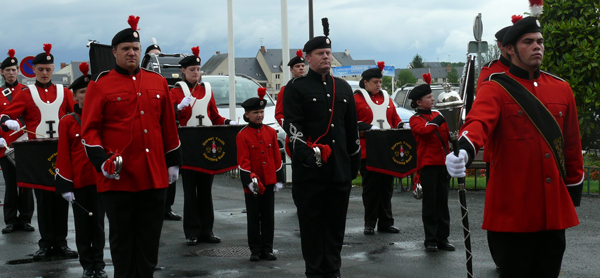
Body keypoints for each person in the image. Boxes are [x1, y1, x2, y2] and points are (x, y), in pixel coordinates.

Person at [446, 6, 584, 277]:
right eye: (528, 42)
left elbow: (571, 146)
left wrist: (572, 189)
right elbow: (478, 123)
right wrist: (464, 149)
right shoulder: (494, 87)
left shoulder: (561, 88)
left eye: (540, 41)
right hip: (513, 212)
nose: (537, 47)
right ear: (510, 49)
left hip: (552, 213)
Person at [81, 15, 182, 277]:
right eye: (125, 49)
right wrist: (101, 160)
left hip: (153, 175)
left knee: (149, 243)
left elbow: (168, 127)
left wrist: (173, 162)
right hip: (119, 177)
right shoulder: (100, 84)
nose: (131, 53)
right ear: (114, 52)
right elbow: (89, 129)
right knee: (123, 244)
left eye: (135, 48)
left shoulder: (157, 82)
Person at [282, 18, 361, 278]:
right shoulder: (296, 87)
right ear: (308, 58)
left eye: (328, 53)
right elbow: (293, 126)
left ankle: (333, 270)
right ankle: (315, 272)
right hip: (311, 172)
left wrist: (354, 162)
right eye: (320, 53)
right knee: (313, 227)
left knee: (336, 227)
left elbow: (351, 130)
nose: (326, 57)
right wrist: (305, 155)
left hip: (338, 170)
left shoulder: (344, 87)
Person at [0, 44, 78, 260]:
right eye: (41, 69)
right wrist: (10, 123)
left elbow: (76, 117)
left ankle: (61, 243)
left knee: (62, 196)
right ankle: (45, 244)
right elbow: (6, 115)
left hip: (62, 151)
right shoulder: (27, 93)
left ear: (53, 69)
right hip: (38, 153)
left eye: (48, 69)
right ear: (34, 70)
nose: (45, 73)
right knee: (43, 198)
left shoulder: (64, 92)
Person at [170, 46, 238, 246]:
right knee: (190, 191)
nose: (196, 73)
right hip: (189, 146)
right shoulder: (176, 91)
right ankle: (192, 231)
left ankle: (207, 230)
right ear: (183, 71)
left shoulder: (206, 89)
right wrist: (178, 108)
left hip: (207, 144)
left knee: (206, 191)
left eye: (198, 69)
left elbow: (214, 116)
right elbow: (168, 115)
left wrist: (226, 123)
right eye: (192, 70)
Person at [55, 62, 107, 278]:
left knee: (99, 225)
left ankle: (99, 264)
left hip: (101, 181)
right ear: (75, 97)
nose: (86, 95)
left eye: (90, 91)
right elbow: (63, 154)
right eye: (82, 92)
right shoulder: (67, 122)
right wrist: (65, 184)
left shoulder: (103, 119)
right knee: (83, 226)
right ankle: (87, 265)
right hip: (79, 182)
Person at [354, 62, 402, 235]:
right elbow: (351, 123)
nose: (379, 85)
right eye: (375, 82)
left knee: (386, 188)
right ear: (365, 82)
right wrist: (367, 128)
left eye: (380, 82)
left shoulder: (386, 98)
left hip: (387, 149)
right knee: (371, 189)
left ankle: (386, 222)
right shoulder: (357, 99)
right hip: (368, 150)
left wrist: (401, 125)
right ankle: (370, 222)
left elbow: (394, 118)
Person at [408, 73, 454, 253]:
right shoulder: (415, 119)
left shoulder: (437, 116)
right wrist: (443, 117)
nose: (433, 99)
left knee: (442, 204)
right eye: (428, 97)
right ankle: (431, 239)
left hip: (442, 164)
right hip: (428, 166)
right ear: (419, 102)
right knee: (430, 204)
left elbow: (449, 135)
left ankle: (443, 238)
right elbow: (425, 131)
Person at [236, 87, 284, 262]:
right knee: (253, 217)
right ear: (247, 114)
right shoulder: (242, 135)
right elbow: (243, 161)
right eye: (256, 112)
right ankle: (255, 249)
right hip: (254, 183)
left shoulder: (271, 132)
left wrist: (279, 179)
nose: (260, 115)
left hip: (269, 180)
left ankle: (268, 248)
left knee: (268, 217)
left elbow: (277, 158)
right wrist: (249, 181)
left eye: (262, 112)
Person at [0, 49, 34, 234]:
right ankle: (11, 220)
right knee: (11, 183)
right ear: (2, 72)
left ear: (18, 71)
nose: (11, 73)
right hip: (5, 145)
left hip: (25, 143)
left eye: (14, 69)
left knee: (26, 183)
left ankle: (26, 218)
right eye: (8, 70)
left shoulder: (27, 91)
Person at [275, 49, 306, 158]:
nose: (301, 68)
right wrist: (291, 130)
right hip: (295, 136)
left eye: (302, 65)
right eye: (298, 66)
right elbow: (279, 114)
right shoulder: (285, 90)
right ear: (291, 70)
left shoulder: (311, 87)